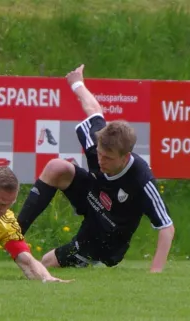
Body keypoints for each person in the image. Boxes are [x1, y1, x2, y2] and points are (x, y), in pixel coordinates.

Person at [16, 64, 175, 273]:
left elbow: (166, 227)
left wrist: (155, 272)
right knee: (56, 167)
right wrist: (77, 83)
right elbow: (93, 110)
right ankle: (13, 235)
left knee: (47, 262)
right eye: (99, 154)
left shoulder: (141, 179)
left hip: (106, 237)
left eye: (108, 158)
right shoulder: (99, 143)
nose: (100, 161)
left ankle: (96, 262)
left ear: (125, 157)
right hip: (93, 197)